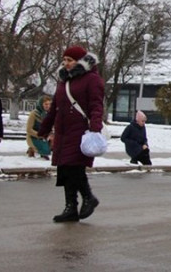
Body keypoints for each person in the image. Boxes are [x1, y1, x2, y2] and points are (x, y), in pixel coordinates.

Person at [37, 46, 104, 223]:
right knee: (65, 169)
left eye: (70, 60)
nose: (66, 63)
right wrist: (44, 129)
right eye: (64, 60)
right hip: (63, 131)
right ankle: (71, 207)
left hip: (80, 130)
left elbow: (96, 106)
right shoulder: (63, 81)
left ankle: (89, 197)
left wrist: (95, 127)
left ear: (79, 61)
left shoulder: (92, 80)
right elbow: (54, 109)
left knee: (74, 166)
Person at [26, 95, 52, 160]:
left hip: (43, 137)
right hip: (33, 137)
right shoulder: (34, 114)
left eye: (49, 104)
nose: (48, 106)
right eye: (46, 104)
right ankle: (32, 149)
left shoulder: (48, 114)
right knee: (43, 150)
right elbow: (29, 129)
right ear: (41, 104)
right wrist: (39, 134)